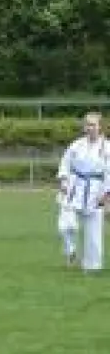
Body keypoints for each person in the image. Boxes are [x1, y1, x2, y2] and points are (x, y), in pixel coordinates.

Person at [56, 111, 108, 272]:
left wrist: (106, 196)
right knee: (66, 226)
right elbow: (65, 163)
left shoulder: (107, 147)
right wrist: (64, 180)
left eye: (93, 124)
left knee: (93, 232)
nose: (90, 128)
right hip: (74, 187)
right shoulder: (77, 144)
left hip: (96, 190)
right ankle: (70, 251)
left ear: (100, 127)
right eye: (87, 124)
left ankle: (92, 266)